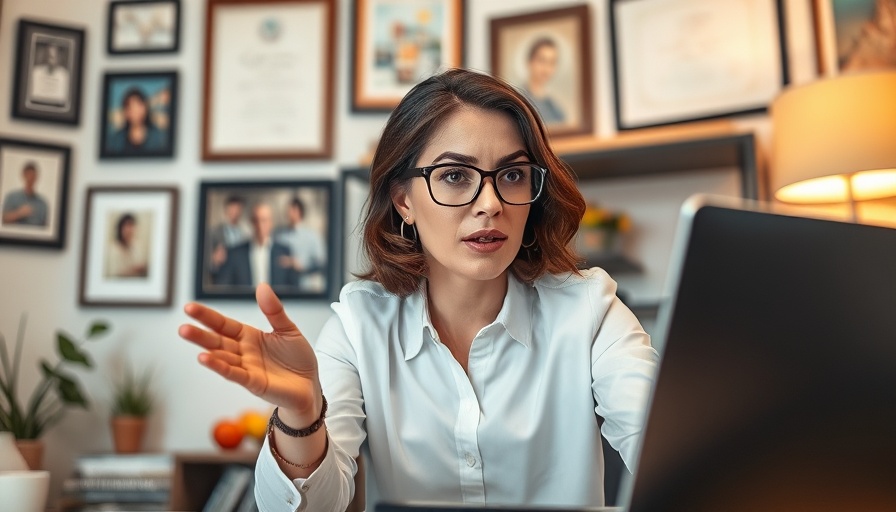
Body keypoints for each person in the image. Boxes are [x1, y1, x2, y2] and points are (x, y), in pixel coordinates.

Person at [179, 68, 658, 510]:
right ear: (403, 199)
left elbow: (664, 446)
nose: (491, 204)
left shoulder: (590, 310)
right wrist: (301, 414)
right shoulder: (359, 326)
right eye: (454, 176)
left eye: (512, 175)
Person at [211, 203, 295, 288]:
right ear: (251, 222)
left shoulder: (284, 252)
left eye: (264, 220)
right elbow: (222, 285)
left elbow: (292, 286)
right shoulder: (235, 253)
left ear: (271, 222)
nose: (260, 225)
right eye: (256, 220)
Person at [274, 197, 326, 291]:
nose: (288, 213)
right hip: (284, 287)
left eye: (291, 210)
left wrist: (302, 265)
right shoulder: (279, 235)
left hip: (305, 287)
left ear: (299, 211)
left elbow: (321, 263)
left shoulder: (312, 236)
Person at [106, 87, 167, 155]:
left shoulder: (160, 138)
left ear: (145, 108)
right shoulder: (116, 140)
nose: (135, 111)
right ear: (125, 112)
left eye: (138, 106)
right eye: (130, 107)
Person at [522, 37, 565, 124]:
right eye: (542, 60)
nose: (546, 69)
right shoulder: (519, 98)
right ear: (529, 62)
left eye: (552, 62)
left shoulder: (554, 108)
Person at [209, 195, 249, 272]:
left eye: (237, 210)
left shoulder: (247, 233)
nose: (235, 213)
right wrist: (214, 259)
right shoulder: (214, 232)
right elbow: (207, 261)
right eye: (232, 209)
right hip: (222, 272)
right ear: (226, 210)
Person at [2, 162, 49, 226]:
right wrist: (19, 213)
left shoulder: (43, 203)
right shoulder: (12, 197)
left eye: (33, 176)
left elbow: (45, 227)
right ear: (23, 175)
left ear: (37, 177)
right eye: (28, 175)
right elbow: (4, 220)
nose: (30, 178)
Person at [105, 213, 148, 278]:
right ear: (120, 229)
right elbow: (114, 273)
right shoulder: (113, 248)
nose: (130, 230)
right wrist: (134, 270)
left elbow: (140, 263)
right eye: (127, 226)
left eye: (132, 226)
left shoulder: (136, 244)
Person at [28, 43, 70, 108]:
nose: (50, 61)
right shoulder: (36, 72)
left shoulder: (64, 75)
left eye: (53, 57)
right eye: (48, 56)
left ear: (58, 57)